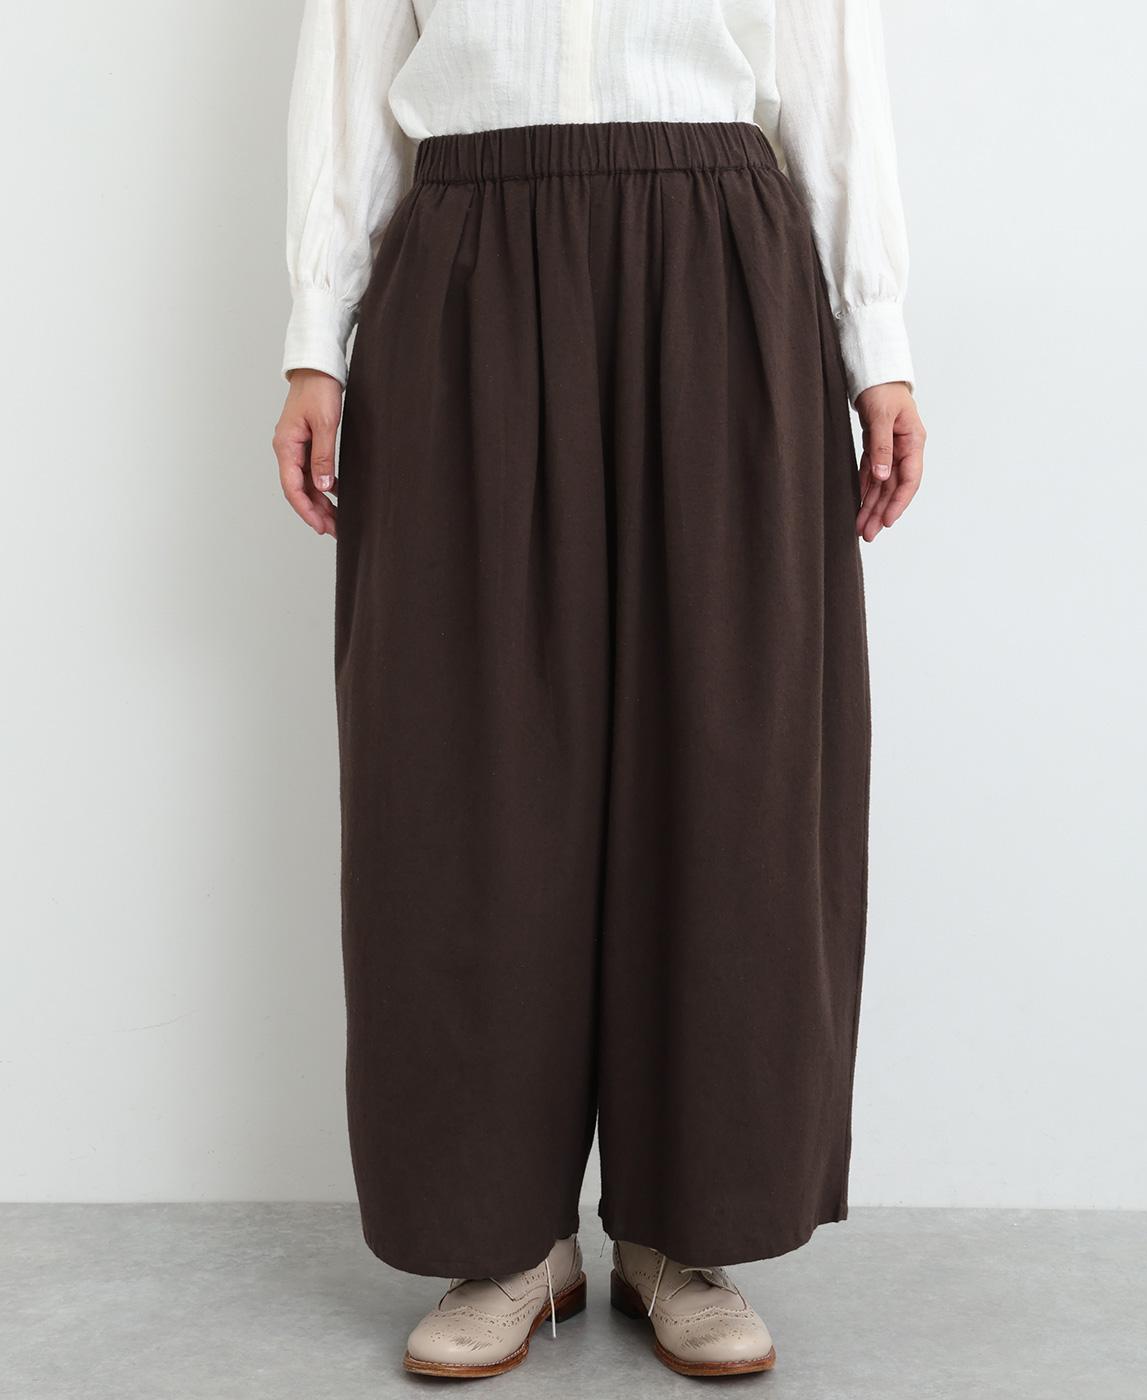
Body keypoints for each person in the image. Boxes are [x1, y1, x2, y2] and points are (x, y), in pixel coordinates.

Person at [273, 0, 925, 1381]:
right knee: (462, 764)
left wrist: (880, 345)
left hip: (717, 257)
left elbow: (828, 62)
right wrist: (316, 336)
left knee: (727, 763)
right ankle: (501, 1237)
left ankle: (686, 1232)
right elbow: (347, 64)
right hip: (467, 259)